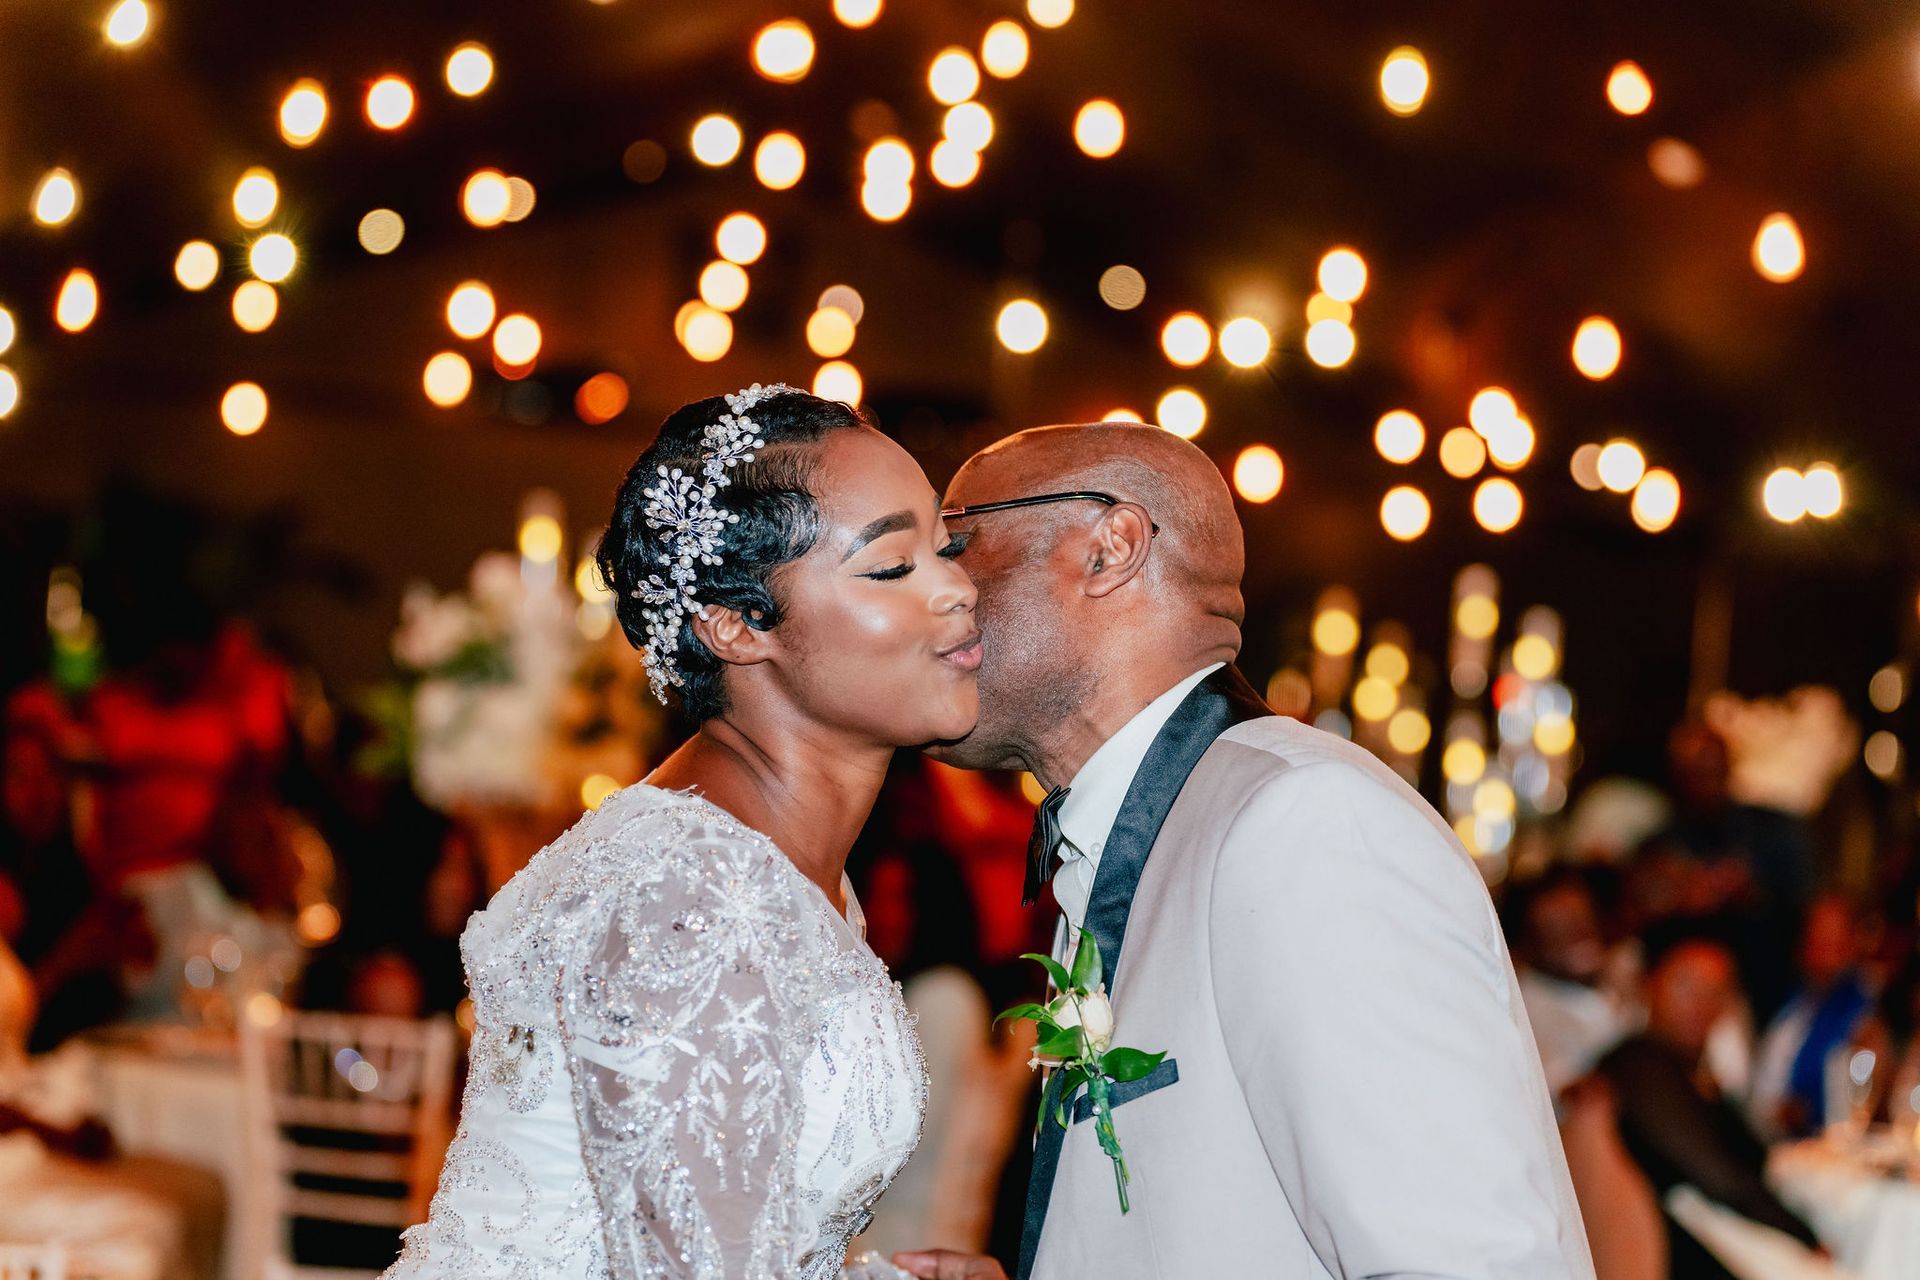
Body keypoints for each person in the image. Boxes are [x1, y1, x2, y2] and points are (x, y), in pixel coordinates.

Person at [894, 421, 1593, 1279]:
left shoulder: (1306, 825)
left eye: (956, 542)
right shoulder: (1159, 825)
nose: (932, 587)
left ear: (1110, 548)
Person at [385, 385, 980, 1278]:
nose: (957, 589)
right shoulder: (688, 891)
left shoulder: (761, 862)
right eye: (893, 566)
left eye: (946, 548)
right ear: (735, 627)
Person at [1598, 939, 1822, 1277]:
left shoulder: (1689, 1073)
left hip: (1726, 1241)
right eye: (1685, 985)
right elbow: (1722, 1180)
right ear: (1649, 984)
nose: (1701, 1002)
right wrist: (1806, 1237)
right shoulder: (1640, 1068)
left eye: (1717, 990)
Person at [1746, 895, 1876, 1138]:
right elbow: (1763, 1088)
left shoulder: (1869, 1007)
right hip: (1773, 1139)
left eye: (1835, 942)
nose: (1824, 953)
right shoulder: (1793, 1007)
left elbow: (1864, 1089)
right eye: (1816, 940)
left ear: (1854, 944)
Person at [1507, 869, 1642, 1097]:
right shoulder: (1528, 1022)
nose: (1578, 935)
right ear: (1527, 945)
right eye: (1555, 928)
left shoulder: (1628, 967)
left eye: (1582, 918)